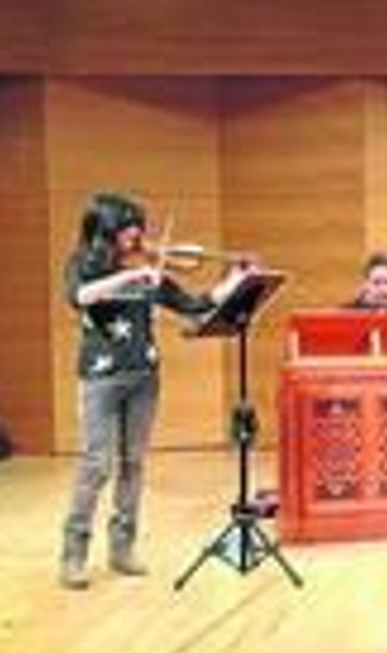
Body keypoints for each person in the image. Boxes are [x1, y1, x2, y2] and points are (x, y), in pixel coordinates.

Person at [58, 192, 250, 590]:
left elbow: (196, 305)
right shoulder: (85, 265)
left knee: (133, 463)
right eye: (129, 229)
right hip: (100, 379)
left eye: (138, 229)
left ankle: (122, 548)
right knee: (96, 466)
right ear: (107, 231)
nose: (137, 236)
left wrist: (234, 281)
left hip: (144, 377)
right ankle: (73, 555)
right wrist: (129, 276)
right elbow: (80, 297)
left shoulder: (150, 271)